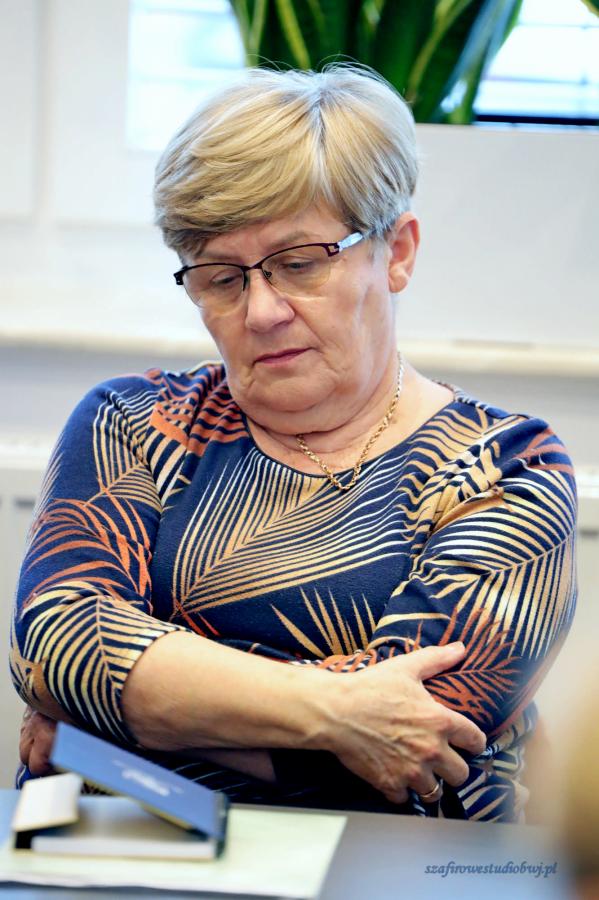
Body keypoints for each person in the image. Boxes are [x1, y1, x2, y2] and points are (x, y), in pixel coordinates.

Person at [11, 65, 576, 822]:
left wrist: (107, 724)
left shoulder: (505, 468)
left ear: (397, 251)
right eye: (221, 278)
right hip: (115, 851)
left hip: (387, 862)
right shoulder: (133, 422)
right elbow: (56, 643)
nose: (262, 311)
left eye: (299, 264)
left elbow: (420, 746)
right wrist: (339, 710)